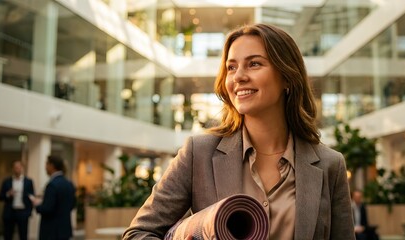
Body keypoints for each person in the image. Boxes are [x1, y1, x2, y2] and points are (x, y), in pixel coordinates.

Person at [123, 23, 354, 239]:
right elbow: (139, 233)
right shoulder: (198, 153)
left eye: (254, 64)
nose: (238, 77)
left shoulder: (329, 165)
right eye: (231, 67)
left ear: (287, 77)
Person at [31, 155, 76, 240]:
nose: (45, 167)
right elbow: (72, 204)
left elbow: (48, 208)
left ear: (52, 165)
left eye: (46, 164)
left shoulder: (52, 185)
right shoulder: (69, 184)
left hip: (51, 231)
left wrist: (37, 205)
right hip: (64, 230)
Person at [0, 160, 35, 240]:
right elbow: (0, 197)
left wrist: (29, 211)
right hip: (10, 212)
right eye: (15, 167)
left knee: (23, 235)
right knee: (8, 235)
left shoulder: (28, 182)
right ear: (12, 169)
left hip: (23, 212)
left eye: (19, 167)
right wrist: (8, 194)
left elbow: (32, 196)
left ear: (22, 168)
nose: (17, 169)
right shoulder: (7, 182)